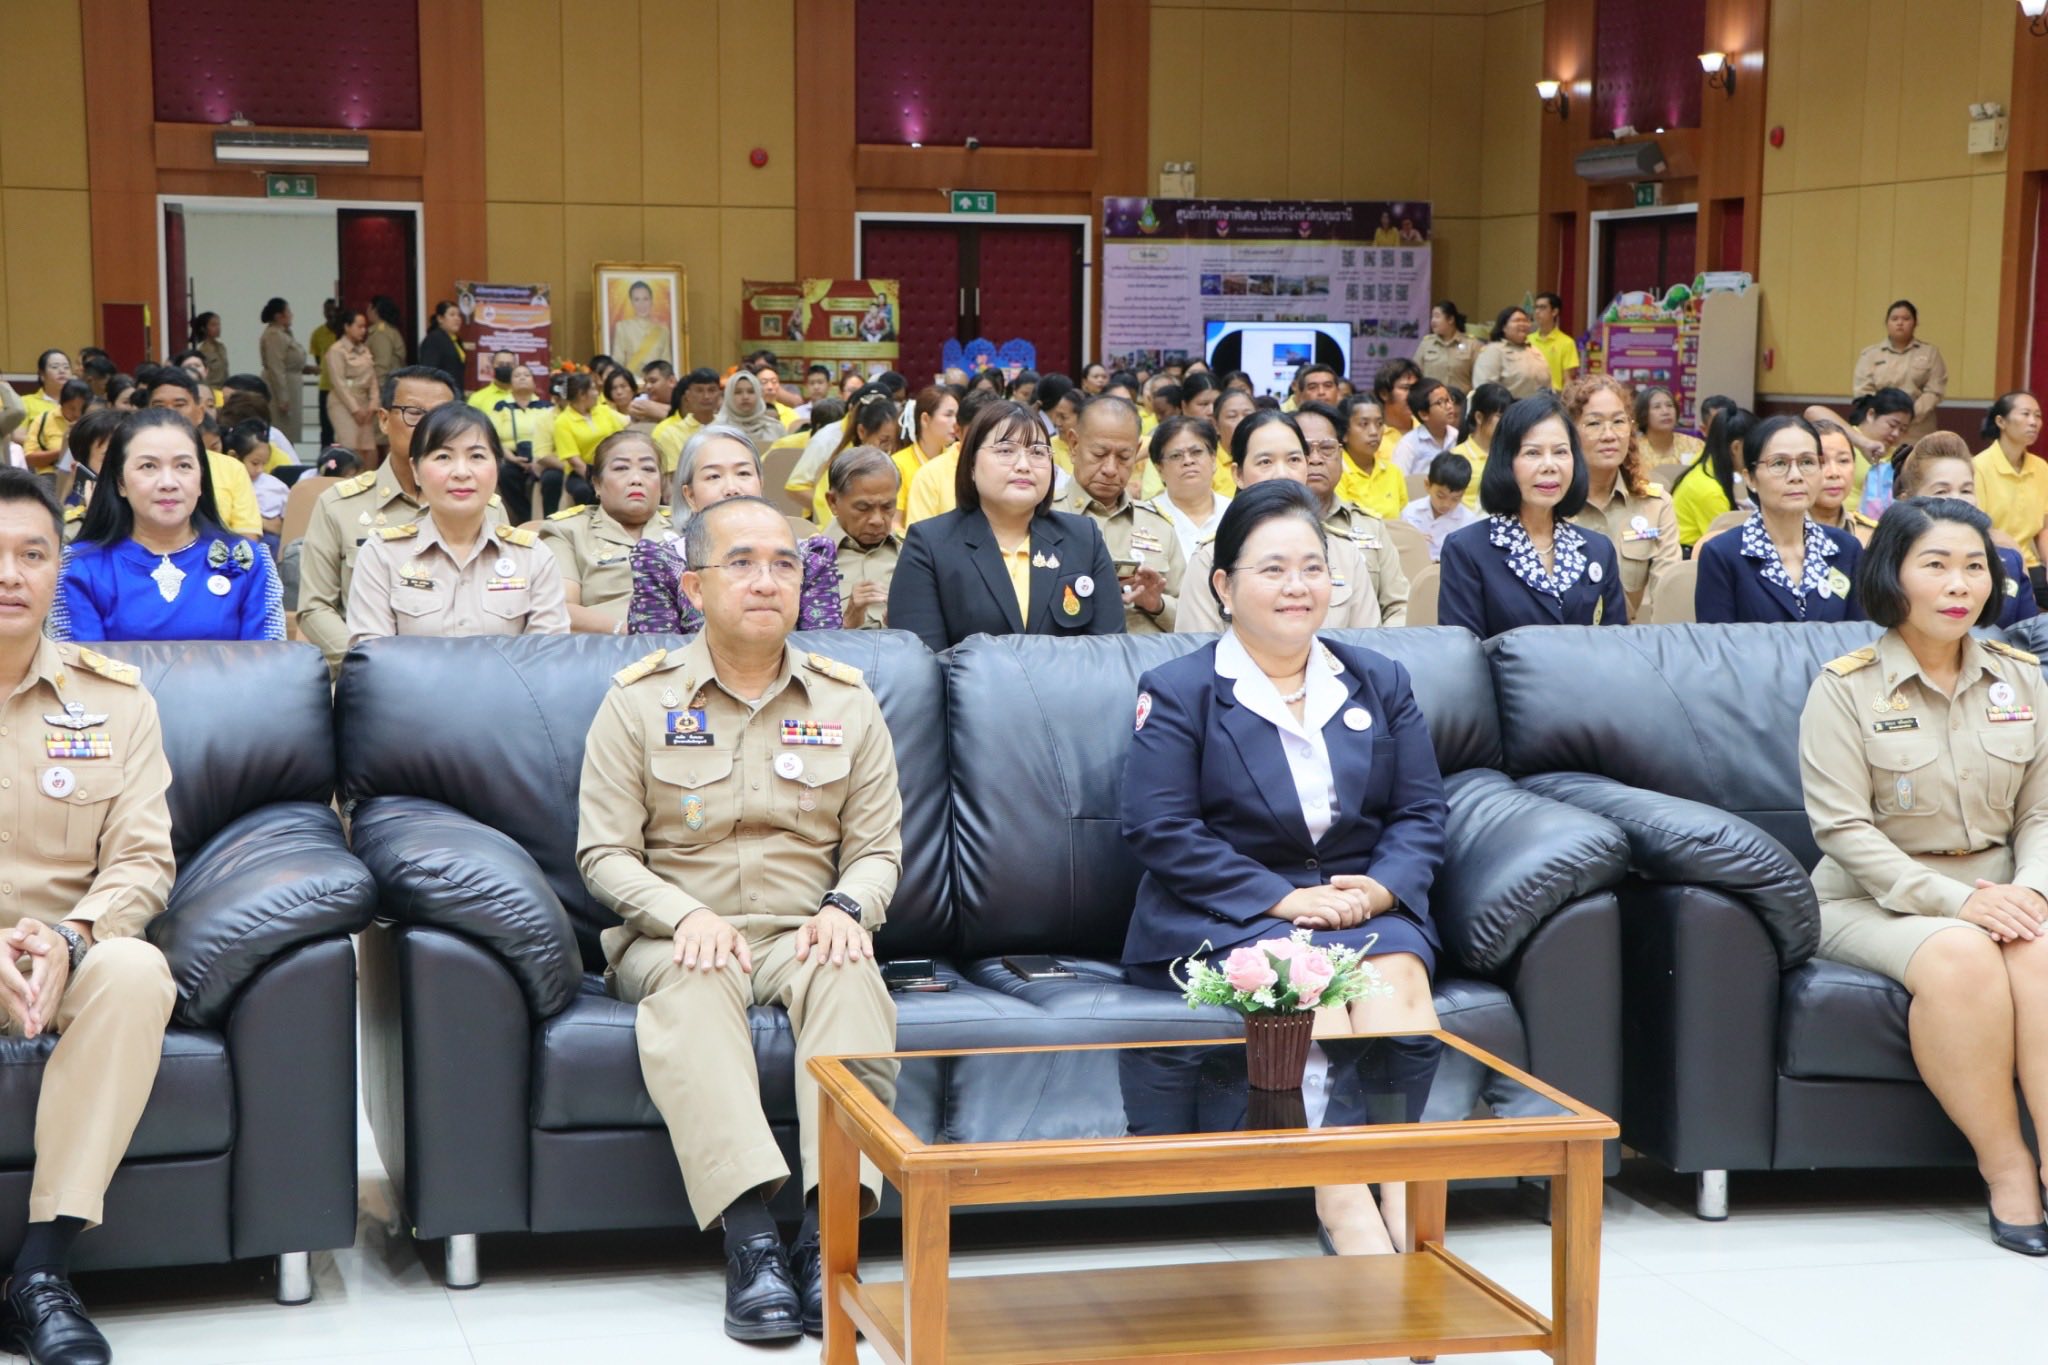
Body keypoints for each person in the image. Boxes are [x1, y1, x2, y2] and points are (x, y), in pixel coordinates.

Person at [577, 495, 901, 1341]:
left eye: (786, 563)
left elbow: (878, 850)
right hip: (676, 934)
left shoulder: (848, 699)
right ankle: (752, 1239)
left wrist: (846, 908)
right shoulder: (638, 701)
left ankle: (830, 1241)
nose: (768, 579)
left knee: (848, 971)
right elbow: (602, 854)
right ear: (691, 586)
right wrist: (683, 913)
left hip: (802, 928)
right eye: (744, 562)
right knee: (699, 976)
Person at [1123, 478, 1447, 1256]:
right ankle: (1345, 1207)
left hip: (1359, 905)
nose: (1297, 585)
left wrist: (1379, 886)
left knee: (1398, 975)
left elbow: (1420, 812)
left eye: (1312, 566)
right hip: (1229, 910)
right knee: (1310, 982)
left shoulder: (1380, 680)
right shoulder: (1179, 691)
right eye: (1272, 569)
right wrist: (1283, 898)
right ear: (1224, 586)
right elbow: (1157, 827)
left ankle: (1406, 1197)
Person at [1798, 497, 2048, 1254]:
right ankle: (2007, 1171)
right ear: (1893, 576)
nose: (1958, 584)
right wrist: (1960, 902)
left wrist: (2031, 890)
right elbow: (1842, 831)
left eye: (1974, 566)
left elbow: (2042, 810)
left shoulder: (2021, 676)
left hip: (2008, 886)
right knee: (1962, 953)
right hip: (1873, 897)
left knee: (2038, 948)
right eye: (1935, 565)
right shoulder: (1845, 686)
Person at [0, 467, 177, 1365]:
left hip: (74, 950)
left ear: (58, 570)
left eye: (32, 554)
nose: (10, 575)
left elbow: (144, 857)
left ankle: (40, 1267)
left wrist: (73, 935)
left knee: (138, 969)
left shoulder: (116, 698)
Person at [298, 366, 496, 669]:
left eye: (442, 415)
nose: (429, 426)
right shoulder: (339, 505)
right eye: (414, 413)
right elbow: (315, 608)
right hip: (370, 676)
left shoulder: (484, 504)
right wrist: (369, 665)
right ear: (384, 420)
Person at [888, 400, 1121, 652]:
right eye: (1006, 451)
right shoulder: (929, 545)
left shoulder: (1084, 537)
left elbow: (1110, 652)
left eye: (1038, 452)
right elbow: (920, 665)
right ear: (971, 466)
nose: (1024, 465)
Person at [52, 409, 286, 642]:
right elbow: (80, 673)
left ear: (201, 480)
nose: (168, 483)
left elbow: (268, 667)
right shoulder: (80, 566)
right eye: (148, 466)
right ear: (120, 482)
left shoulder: (250, 561)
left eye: (183, 466)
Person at [346, 403, 566, 643]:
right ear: (416, 470)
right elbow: (374, 663)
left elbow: (547, 660)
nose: (461, 472)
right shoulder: (383, 554)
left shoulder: (533, 556)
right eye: (443, 457)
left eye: (477, 456)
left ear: (497, 466)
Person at [1178, 409, 1391, 633]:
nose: (1282, 474)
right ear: (1238, 475)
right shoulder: (1208, 559)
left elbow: (1367, 648)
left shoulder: (1346, 553)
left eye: (1294, 460)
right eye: (1265, 462)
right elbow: (1197, 654)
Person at [1438, 392, 1627, 636]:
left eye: (1560, 452)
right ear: (1507, 462)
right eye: (1533, 453)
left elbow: (1619, 646)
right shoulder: (1466, 549)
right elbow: (1462, 657)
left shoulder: (1598, 549)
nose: (1550, 465)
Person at [629, 426, 842, 635]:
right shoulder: (660, 563)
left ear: (760, 484)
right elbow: (656, 654)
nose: (732, 488)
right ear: (690, 495)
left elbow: (821, 648)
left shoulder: (810, 558)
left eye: (743, 473)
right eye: (713, 476)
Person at [1694, 416, 1861, 625]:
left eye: (1807, 462)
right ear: (1750, 478)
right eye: (1779, 463)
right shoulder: (1721, 555)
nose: (1796, 476)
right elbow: (1715, 648)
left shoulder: (1846, 549)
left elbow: (1859, 639)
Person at [1052, 396, 1185, 634]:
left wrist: (1157, 604)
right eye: (1099, 454)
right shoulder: (1045, 517)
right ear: (1074, 446)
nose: (1111, 469)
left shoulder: (1158, 526)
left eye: (1124, 457)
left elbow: (1192, 617)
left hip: (1144, 664)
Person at [1888, 433, 2038, 629]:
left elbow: (2030, 637)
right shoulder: (1892, 560)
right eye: (1941, 491)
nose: (1957, 500)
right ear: (1908, 500)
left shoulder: (2008, 559)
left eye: (1966, 490)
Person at [1563, 375, 1678, 618]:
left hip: (1634, 644)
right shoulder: (1552, 505)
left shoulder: (1655, 504)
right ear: (1570, 433)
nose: (1609, 435)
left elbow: (1667, 597)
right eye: (1594, 424)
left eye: (1619, 421)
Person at [541, 430, 676, 633]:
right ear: (597, 483)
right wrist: (627, 631)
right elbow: (561, 608)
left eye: (648, 469)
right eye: (621, 468)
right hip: (605, 650)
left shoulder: (687, 525)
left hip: (689, 649)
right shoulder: (567, 531)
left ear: (661, 483)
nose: (636, 479)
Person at [1297, 401, 1409, 626]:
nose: (1316, 459)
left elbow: (1398, 605)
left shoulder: (1370, 527)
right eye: (1305, 450)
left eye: (1327, 448)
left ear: (1341, 453)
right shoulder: (1266, 528)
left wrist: (1379, 652)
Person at [139, 369, 264, 542]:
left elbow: (247, 537)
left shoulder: (232, 468)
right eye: (159, 407)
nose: (169, 414)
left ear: (199, 413)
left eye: (179, 405)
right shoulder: (133, 467)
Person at [818, 446, 902, 629]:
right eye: (863, 508)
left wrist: (903, 626)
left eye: (887, 507)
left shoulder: (914, 555)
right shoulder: (808, 562)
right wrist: (847, 622)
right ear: (833, 502)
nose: (877, 520)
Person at [1974, 391, 2048, 589]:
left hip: (2030, 565)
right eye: (2025, 414)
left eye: (2038, 415)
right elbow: (1980, 530)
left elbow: (2044, 528)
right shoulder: (1979, 467)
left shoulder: (2041, 467)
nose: (2033, 422)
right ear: (2001, 421)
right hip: (1995, 562)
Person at [1852, 299, 1947, 441]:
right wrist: (1887, 415)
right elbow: (1864, 392)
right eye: (1894, 318)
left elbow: (1934, 391)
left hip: (1918, 429)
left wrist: (1908, 415)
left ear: (1915, 323)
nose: (1900, 323)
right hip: (1881, 427)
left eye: (1906, 318)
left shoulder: (1930, 353)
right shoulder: (1870, 355)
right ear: (1887, 323)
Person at [1672, 406, 1757, 550]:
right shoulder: (1710, 492)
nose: (1758, 453)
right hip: (1689, 558)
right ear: (1735, 448)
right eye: (1754, 446)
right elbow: (1729, 548)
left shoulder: (1704, 461)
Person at [809, 392, 899, 525]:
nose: (889, 447)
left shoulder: (893, 465)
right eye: (883, 440)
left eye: (895, 441)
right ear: (861, 431)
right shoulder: (841, 468)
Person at [490, 362, 565, 519]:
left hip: (542, 456)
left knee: (550, 477)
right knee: (505, 474)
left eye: (526, 375)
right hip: (512, 456)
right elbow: (493, 437)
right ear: (510, 383)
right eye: (517, 376)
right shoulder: (502, 406)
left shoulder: (545, 406)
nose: (522, 378)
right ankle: (526, 517)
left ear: (534, 382)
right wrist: (512, 458)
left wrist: (538, 460)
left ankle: (546, 518)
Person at [1149, 415, 1230, 559]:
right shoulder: (1146, 517)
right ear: (1159, 469)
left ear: (1213, 459)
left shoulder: (1234, 512)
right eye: (1176, 456)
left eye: (1196, 452)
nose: (1188, 461)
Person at [1845, 388, 1921, 516]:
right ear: (1871, 415)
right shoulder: (1846, 439)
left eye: (1903, 429)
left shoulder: (1898, 455)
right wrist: (1863, 443)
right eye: (1892, 425)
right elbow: (1813, 411)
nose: (1896, 433)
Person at [1333, 392, 1404, 520]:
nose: (1374, 432)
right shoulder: (1335, 472)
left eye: (1379, 423)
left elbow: (1403, 519)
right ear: (1344, 433)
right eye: (1364, 424)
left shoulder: (1393, 472)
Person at [893, 385, 957, 520]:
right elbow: (895, 524)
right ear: (925, 419)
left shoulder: (956, 459)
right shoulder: (898, 464)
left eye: (957, 416)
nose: (955, 423)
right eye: (948, 415)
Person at [323, 307, 378, 466]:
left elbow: (373, 379)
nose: (363, 330)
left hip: (364, 403)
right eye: (359, 326)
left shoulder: (364, 349)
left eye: (365, 327)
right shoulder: (336, 350)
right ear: (347, 327)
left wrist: (374, 404)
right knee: (351, 447)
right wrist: (355, 409)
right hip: (343, 404)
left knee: (369, 449)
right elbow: (338, 383)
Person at [1401, 452, 1480, 560]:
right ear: (1427, 485)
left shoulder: (1469, 522)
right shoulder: (1410, 511)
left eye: (1455, 499)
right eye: (1440, 496)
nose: (1446, 504)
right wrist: (1414, 542)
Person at [225, 418, 288, 550]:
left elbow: (285, 527)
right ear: (233, 456)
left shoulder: (276, 487)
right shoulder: (221, 480)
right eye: (255, 463)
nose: (260, 469)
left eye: (264, 464)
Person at [1809, 418, 1874, 542]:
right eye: (1821, 462)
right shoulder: (1779, 534)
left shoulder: (1871, 536)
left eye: (1843, 461)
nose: (1834, 473)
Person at [652, 367, 724, 475]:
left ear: (719, 395)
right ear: (688, 396)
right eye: (699, 390)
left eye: (711, 390)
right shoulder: (671, 434)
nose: (706, 396)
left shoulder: (729, 430)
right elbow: (673, 478)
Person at [1452, 382, 1512, 509]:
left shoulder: (1512, 455)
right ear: (1479, 417)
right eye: (1500, 416)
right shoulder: (1457, 457)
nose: (1505, 423)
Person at [1472, 306, 1549, 400]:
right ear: (1504, 327)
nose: (1523, 324)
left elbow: (1548, 385)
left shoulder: (1535, 350)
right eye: (1517, 320)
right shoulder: (1493, 351)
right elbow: (1485, 389)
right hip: (1509, 411)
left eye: (1525, 321)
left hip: (1539, 410)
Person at [259, 301, 307, 444]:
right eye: (288, 312)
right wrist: (283, 397)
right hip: (280, 389)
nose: (291, 315)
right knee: (282, 432)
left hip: (291, 383)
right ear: (279, 316)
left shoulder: (284, 333)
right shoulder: (274, 335)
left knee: (289, 432)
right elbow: (276, 367)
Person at [22, 380, 89, 480]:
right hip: (51, 475)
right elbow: (29, 458)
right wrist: (64, 451)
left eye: (82, 409)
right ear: (61, 403)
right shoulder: (43, 419)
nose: (77, 414)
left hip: (86, 475)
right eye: (71, 408)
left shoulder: (93, 420)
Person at [1391, 377, 1459, 475]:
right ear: (1424, 414)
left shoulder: (1455, 435)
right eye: (1440, 402)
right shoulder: (1409, 445)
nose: (1449, 406)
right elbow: (1398, 481)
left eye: (1449, 399)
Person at [716, 370, 788, 454]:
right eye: (738, 392)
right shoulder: (717, 429)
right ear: (729, 396)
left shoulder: (775, 428)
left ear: (758, 394)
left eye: (751, 392)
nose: (745, 397)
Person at [1414, 301, 1478, 391]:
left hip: (1461, 401)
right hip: (1432, 400)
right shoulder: (1426, 344)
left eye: (1437, 316)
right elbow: (1416, 373)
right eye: (1432, 317)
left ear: (1451, 319)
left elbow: (1479, 377)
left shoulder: (1472, 344)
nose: (1433, 321)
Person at [1634, 385, 1702, 470]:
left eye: (1669, 405)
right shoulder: (1633, 450)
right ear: (1644, 414)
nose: (1665, 412)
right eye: (1657, 407)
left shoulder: (1695, 445)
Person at [610, 280, 672, 372]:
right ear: (631, 302)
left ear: (651, 300)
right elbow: (618, 361)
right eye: (637, 300)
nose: (641, 304)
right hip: (631, 382)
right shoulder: (623, 327)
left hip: (656, 384)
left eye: (645, 299)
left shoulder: (663, 330)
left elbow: (666, 365)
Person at [1528, 292, 1580, 390]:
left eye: (1542, 307)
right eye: (1536, 307)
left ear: (1554, 312)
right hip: (1528, 395)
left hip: (1554, 395)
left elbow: (1568, 379)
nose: (1537, 311)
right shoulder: (1527, 340)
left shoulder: (1567, 342)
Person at [419, 299, 468, 396]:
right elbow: (429, 370)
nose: (457, 319)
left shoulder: (457, 340)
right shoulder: (434, 339)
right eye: (452, 315)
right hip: (441, 393)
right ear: (440, 318)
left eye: (459, 315)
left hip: (456, 391)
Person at [366, 296, 406, 399]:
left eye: (368, 308)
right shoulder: (387, 330)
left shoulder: (381, 334)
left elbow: (382, 365)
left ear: (374, 309)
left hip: (385, 389)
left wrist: (377, 392)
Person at [191, 312, 229, 384]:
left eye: (218, 324)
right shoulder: (201, 350)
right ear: (203, 328)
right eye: (213, 325)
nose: (218, 328)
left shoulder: (221, 347)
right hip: (210, 389)